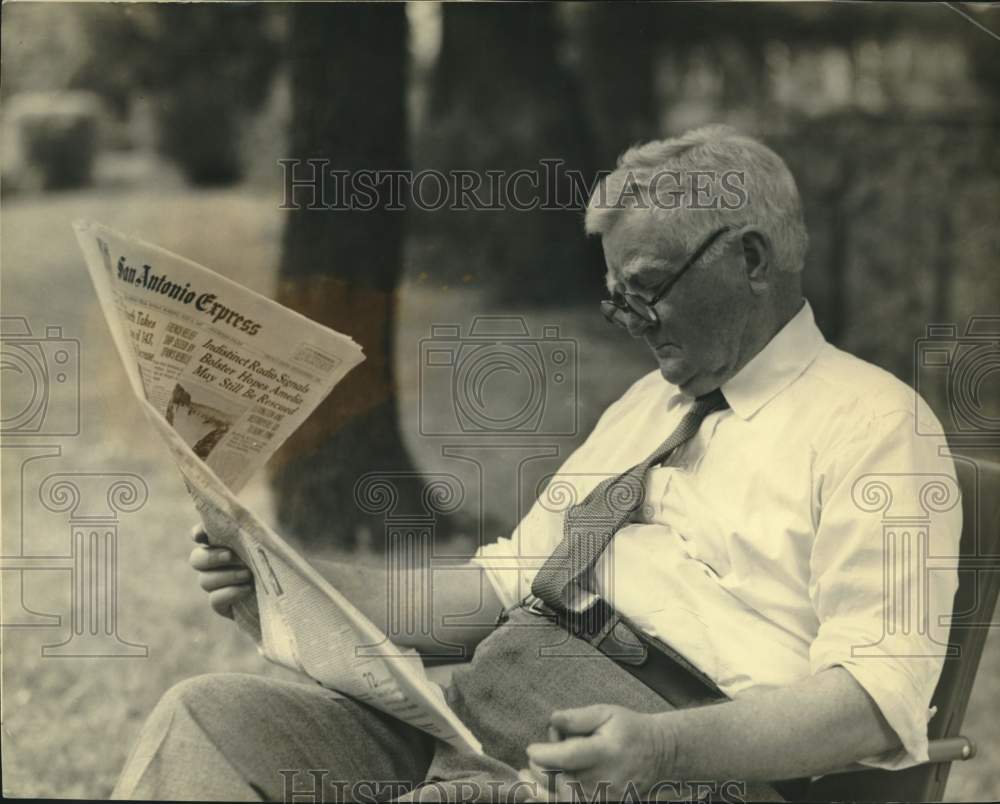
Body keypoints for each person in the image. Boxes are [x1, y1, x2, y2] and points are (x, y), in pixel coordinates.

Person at [113, 125, 960, 803]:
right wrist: (287, 579)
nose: (632, 321)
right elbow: (503, 587)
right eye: (617, 298)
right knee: (210, 721)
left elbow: (872, 700)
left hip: (670, 769)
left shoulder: (874, 426)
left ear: (750, 259)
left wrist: (661, 750)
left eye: (648, 288)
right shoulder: (649, 409)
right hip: (483, 724)